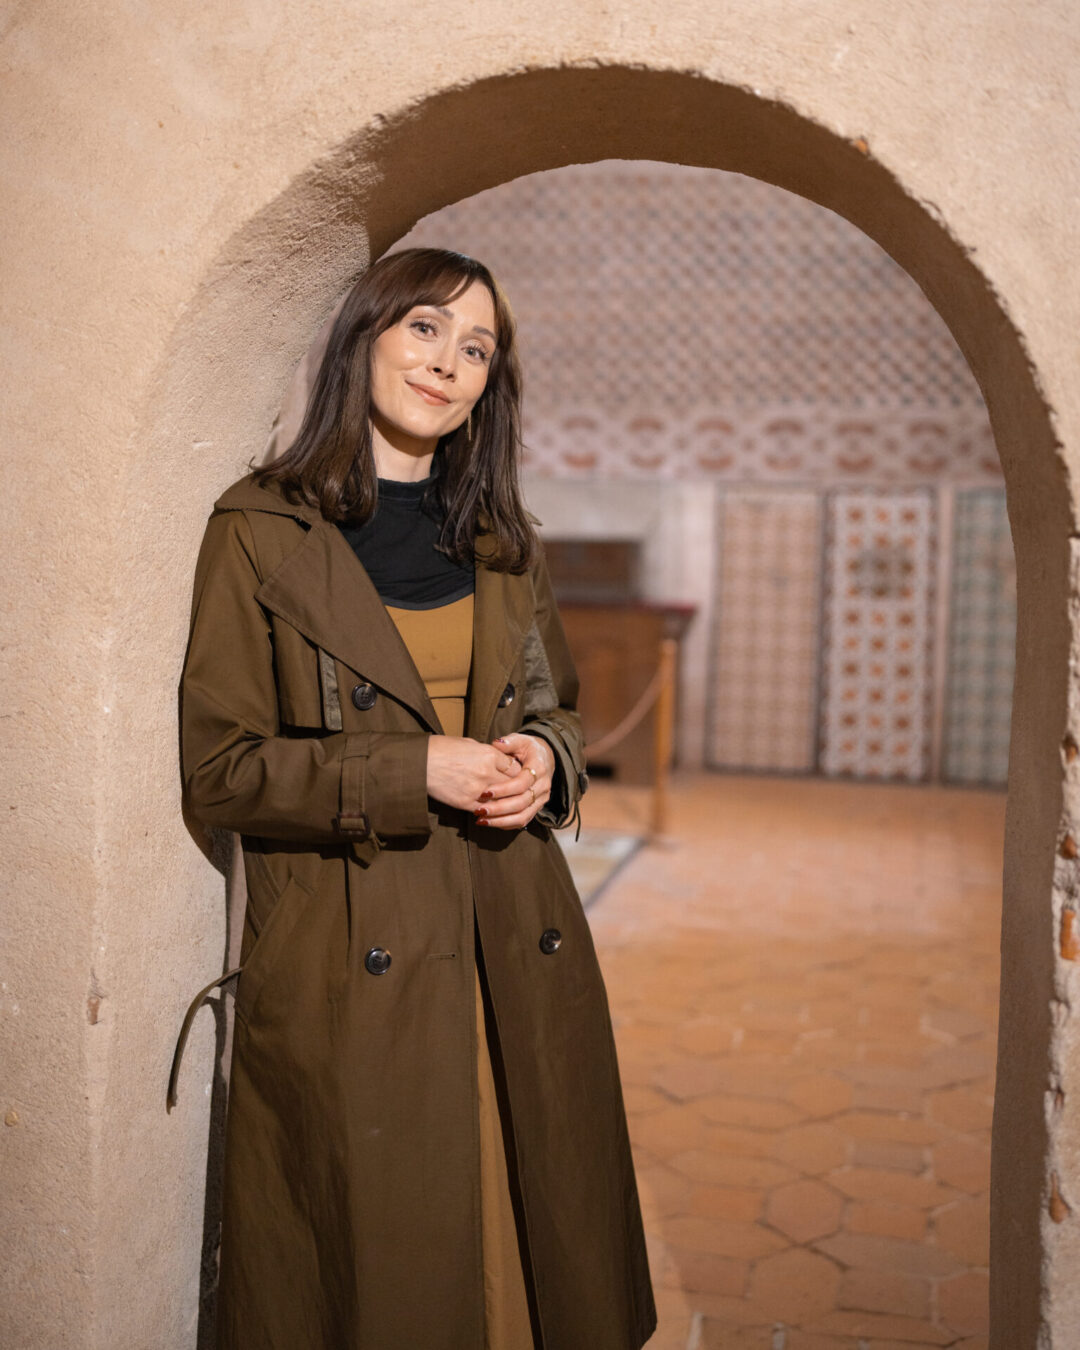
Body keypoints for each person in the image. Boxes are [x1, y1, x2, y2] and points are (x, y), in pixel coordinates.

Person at [174, 247, 656, 1350]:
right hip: (356, 952)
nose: (448, 363)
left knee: (528, 1239)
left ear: (492, 384)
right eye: (427, 329)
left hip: (508, 934)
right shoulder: (260, 528)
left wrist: (543, 759)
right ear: (367, 338)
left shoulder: (499, 538)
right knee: (384, 1267)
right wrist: (413, 769)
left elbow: (559, 707)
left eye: (476, 348)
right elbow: (222, 769)